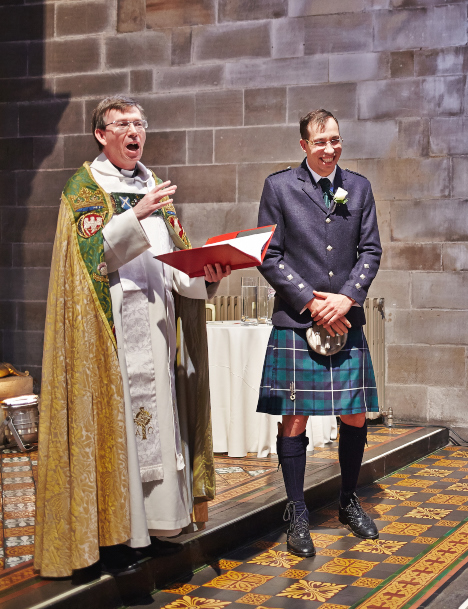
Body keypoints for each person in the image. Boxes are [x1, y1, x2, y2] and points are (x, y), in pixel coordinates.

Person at [36, 96, 228, 577]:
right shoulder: (84, 188)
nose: (134, 132)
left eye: (139, 123)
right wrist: (135, 215)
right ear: (102, 134)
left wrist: (209, 273)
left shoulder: (153, 187)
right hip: (111, 334)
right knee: (118, 429)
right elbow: (89, 263)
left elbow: (173, 262)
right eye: (123, 124)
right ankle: (117, 535)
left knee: (159, 425)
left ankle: (159, 526)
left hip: (158, 328)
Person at [256, 109, 382, 557]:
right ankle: (297, 512)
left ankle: (349, 500)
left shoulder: (360, 187)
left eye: (336, 139)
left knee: (355, 415)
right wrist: (313, 302)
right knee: (295, 418)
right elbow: (268, 256)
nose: (330, 148)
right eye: (321, 141)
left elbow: (370, 250)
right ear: (304, 146)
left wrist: (346, 299)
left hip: (346, 318)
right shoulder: (280, 187)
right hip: (298, 320)